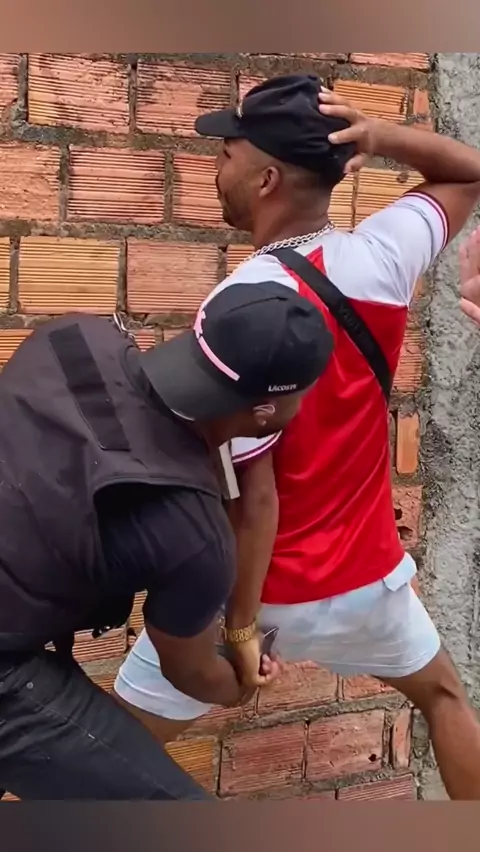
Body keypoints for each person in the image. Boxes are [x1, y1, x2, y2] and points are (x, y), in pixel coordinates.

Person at [114, 73, 480, 800]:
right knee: (444, 697)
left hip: (264, 592)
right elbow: (468, 172)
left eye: (227, 154)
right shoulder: (384, 255)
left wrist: (241, 628)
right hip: (370, 583)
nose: (217, 168)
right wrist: (378, 136)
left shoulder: (240, 306)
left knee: (106, 747)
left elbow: (253, 497)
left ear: (267, 179)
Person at [0, 277, 334, 800]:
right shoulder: (194, 535)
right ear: (265, 411)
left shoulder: (74, 336)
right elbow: (191, 673)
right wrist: (241, 683)